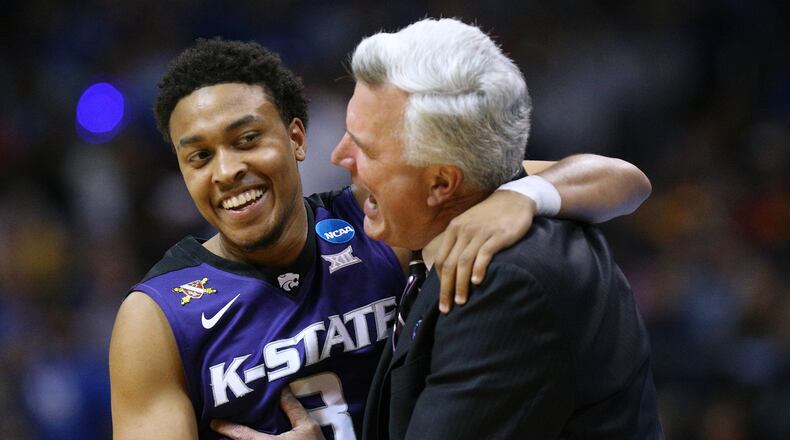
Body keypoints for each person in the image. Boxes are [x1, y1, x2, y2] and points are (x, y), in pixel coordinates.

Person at [109, 37, 652, 440]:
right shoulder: (157, 317)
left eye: (247, 140)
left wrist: (523, 195)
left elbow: (622, 179)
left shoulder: (381, 220)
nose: (226, 171)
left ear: (296, 137)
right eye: (199, 156)